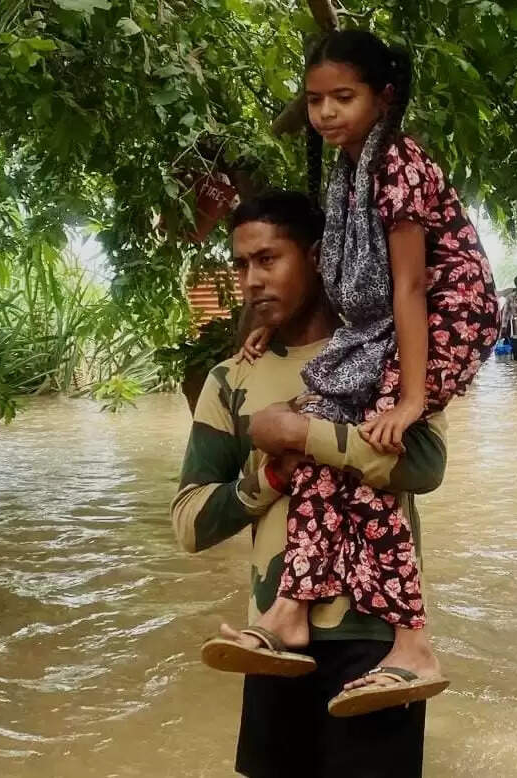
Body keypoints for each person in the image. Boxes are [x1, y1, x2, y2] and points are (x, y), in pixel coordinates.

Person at [223, 30, 498, 715]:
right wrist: (267, 327)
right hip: (382, 326)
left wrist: (408, 399)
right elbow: (347, 286)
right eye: (315, 101)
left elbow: (407, 287)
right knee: (314, 436)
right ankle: (289, 612)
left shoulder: (397, 165)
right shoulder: (346, 168)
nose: (325, 114)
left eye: (343, 97)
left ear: (383, 96)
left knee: (372, 447)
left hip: (446, 313)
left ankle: (412, 643)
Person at [171, 191, 443, 776]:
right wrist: (268, 474)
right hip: (271, 638)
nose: (249, 280)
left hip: (380, 640)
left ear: (318, 257)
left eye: (268, 260)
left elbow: (425, 465)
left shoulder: (390, 354)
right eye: (241, 264)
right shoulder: (231, 380)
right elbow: (189, 524)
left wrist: (300, 433)